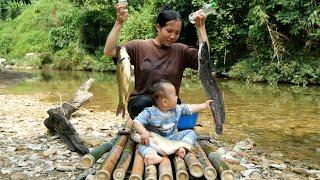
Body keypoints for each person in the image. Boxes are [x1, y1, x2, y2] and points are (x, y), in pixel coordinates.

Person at [104, 3, 209, 119]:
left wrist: (201, 27)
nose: (173, 36)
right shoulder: (139, 46)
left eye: (177, 33)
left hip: (168, 106)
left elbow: (205, 60)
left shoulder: (181, 51)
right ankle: (140, 126)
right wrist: (119, 23)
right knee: (143, 103)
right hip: (141, 105)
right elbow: (109, 52)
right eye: (169, 31)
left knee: (176, 104)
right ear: (158, 27)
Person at [132, 79, 213, 165]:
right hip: (156, 142)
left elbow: (190, 108)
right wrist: (144, 132)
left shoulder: (177, 109)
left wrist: (204, 105)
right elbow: (137, 122)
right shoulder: (149, 112)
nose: (177, 97)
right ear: (165, 102)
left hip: (173, 138)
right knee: (141, 145)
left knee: (191, 132)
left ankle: (182, 147)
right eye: (175, 95)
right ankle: (152, 155)